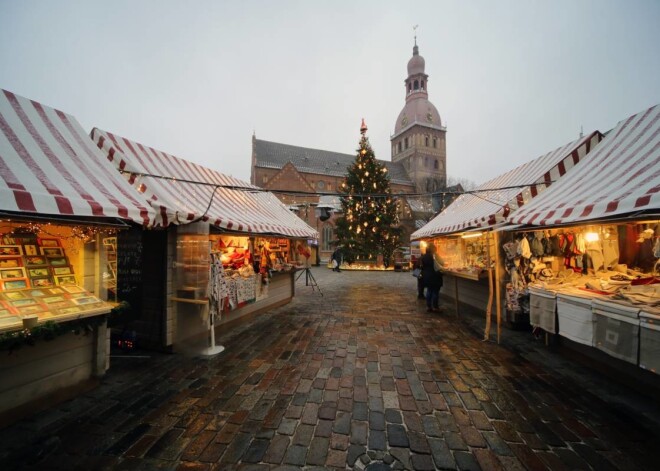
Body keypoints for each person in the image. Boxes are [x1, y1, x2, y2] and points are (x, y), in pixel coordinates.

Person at [420, 244, 444, 312]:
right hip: (435, 276)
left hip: (427, 276)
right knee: (435, 292)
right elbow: (442, 263)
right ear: (434, 249)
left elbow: (421, 266)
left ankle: (428, 306)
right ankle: (435, 307)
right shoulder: (435, 256)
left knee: (429, 291)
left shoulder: (423, 257)